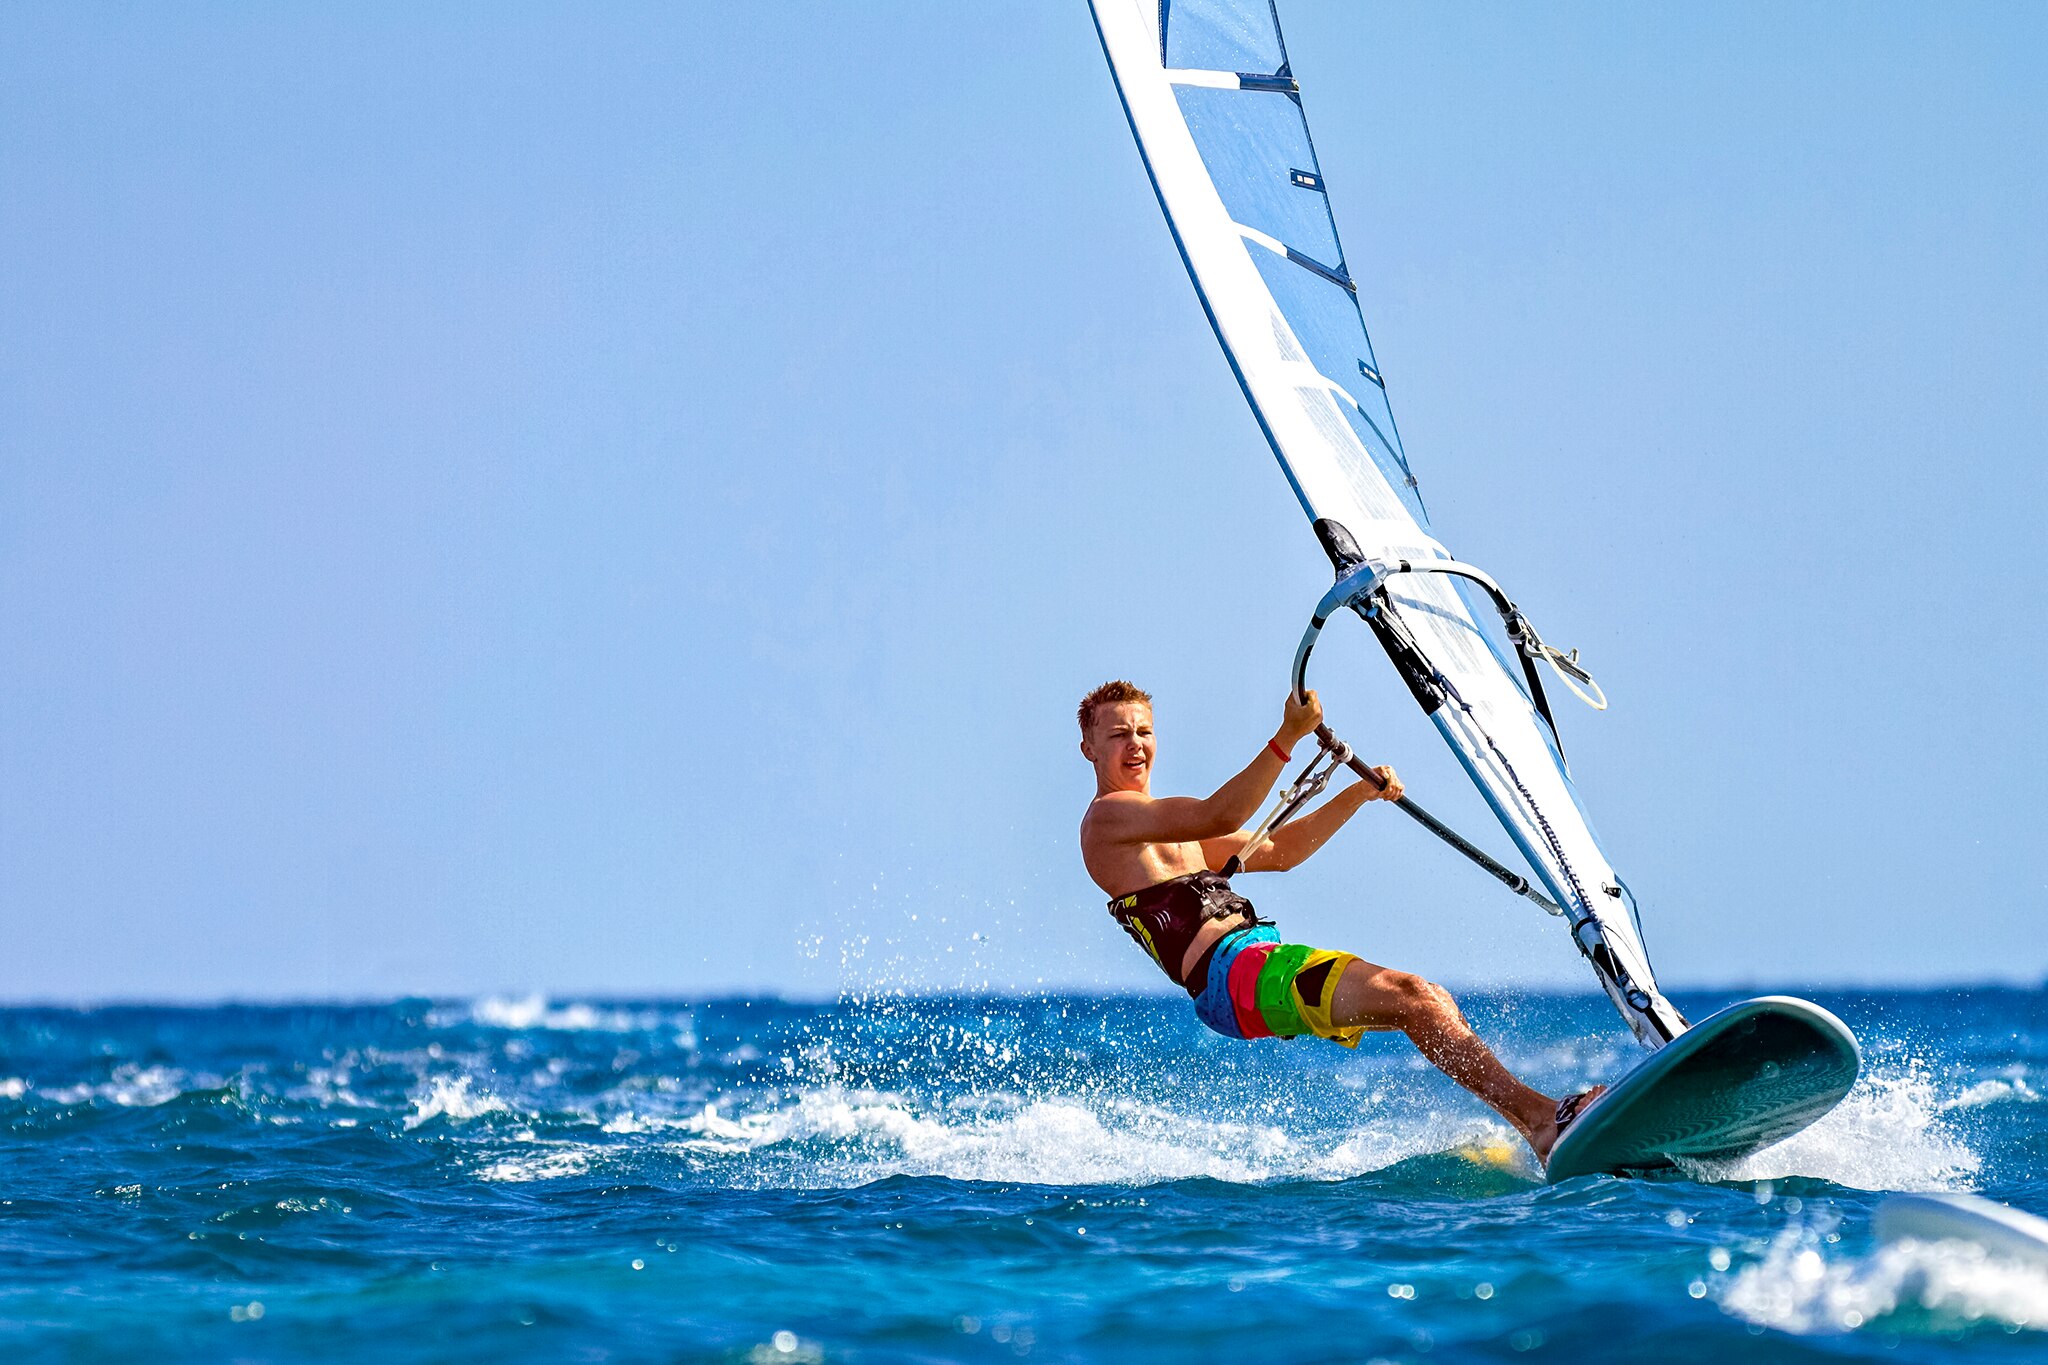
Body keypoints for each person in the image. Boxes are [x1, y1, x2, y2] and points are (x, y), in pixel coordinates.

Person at [1077, 679, 1600, 1161]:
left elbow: (1282, 848)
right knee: (1412, 996)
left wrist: (1358, 793)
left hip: (1254, 972)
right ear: (1090, 750)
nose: (1136, 744)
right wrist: (1287, 737)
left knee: (1426, 1002)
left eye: (1144, 731)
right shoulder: (1107, 819)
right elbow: (1223, 813)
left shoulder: (1173, 832)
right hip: (1236, 979)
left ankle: (1540, 1133)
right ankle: (1542, 1120)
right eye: (1119, 734)